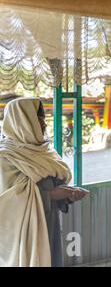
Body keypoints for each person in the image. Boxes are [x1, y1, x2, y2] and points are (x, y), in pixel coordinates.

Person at [0, 97, 87, 267]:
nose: (44, 125)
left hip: (49, 224)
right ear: (23, 123)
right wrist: (51, 194)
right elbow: (7, 203)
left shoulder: (44, 152)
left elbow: (51, 185)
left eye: (43, 120)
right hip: (22, 236)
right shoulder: (6, 158)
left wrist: (67, 195)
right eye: (38, 120)